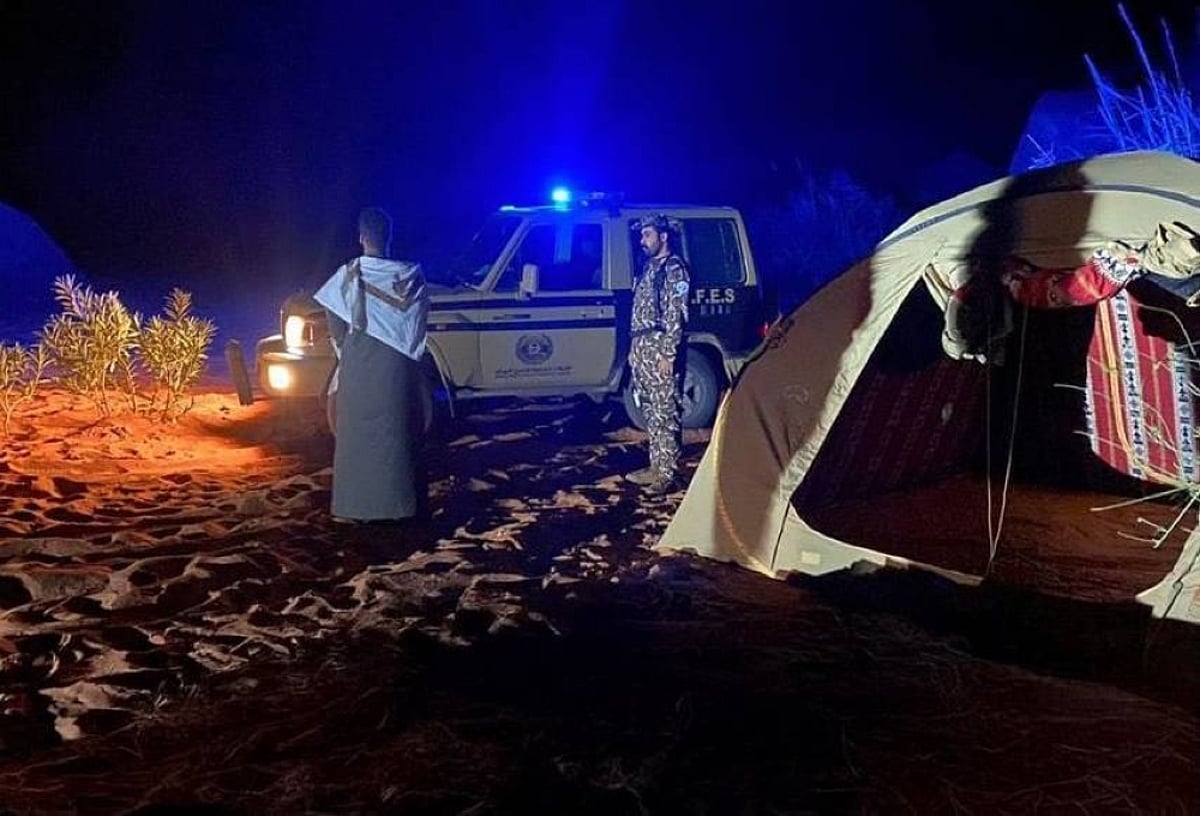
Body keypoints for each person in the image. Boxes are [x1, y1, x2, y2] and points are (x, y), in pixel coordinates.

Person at [313, 207, 430, 523]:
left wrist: (347, 349)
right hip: (397, 368)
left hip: (359, 365)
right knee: (396, 437)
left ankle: (354, 507)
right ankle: (399, 507)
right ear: (389, 237)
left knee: (356, 439)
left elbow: (334, 318)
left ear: (362, 237)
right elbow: (418, 326)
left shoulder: (350, 274)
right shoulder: (411, 277)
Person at [625, 213, 690, 493]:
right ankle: (655, 467)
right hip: (642, 349)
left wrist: (668, 354)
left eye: (647, 235)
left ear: (663, 237)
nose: (643, 240)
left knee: (665, 412)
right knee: (650, 411)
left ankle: (668, 475)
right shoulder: (648, 268)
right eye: (642, 235)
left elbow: (676, 314)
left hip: (660, 349)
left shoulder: (675, 269)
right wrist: (634, 351)